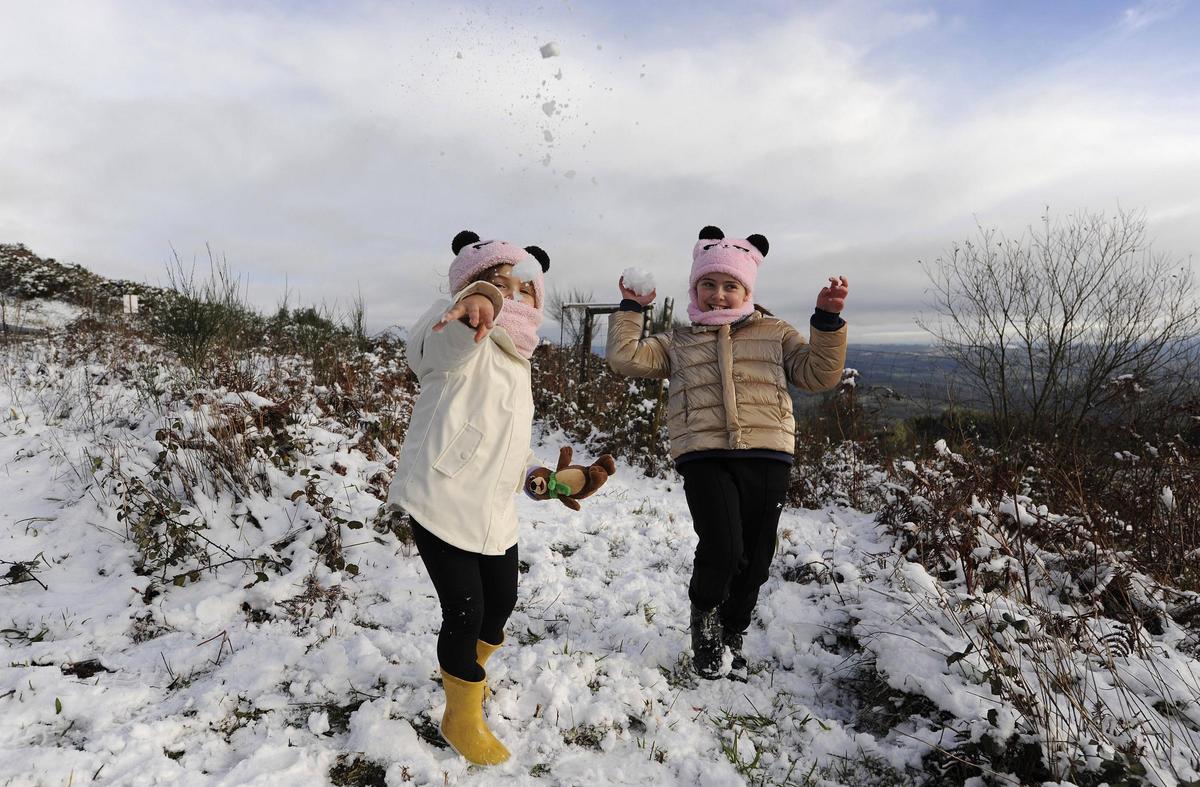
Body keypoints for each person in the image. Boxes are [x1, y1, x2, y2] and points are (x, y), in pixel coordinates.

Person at [606, 225, 849, 681]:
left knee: (755, 559)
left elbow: (819, 374)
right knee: (723, 547)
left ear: (747, 290)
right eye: (708, 284)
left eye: (729, 285)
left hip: (768, 453)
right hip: (704, 454)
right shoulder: (678, 341)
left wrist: (827, 321)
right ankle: (705, 622)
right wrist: (633, 308)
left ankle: (733, 630)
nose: (718, 295)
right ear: (694, 288)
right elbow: (625, 359)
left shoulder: (775, 332)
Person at [386, 230, 553, 765]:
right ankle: (460, 717)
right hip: (439, 494)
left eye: (522, 288)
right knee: (466, 611)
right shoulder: (452, 325)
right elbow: (434, 350)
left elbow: (507, 438)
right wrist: (475, 304)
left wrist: (536, 475)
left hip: (492, 508)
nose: (510, 295)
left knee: (500, 604)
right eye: (497, 283)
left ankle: (469, 678)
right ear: (468, 284)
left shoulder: (520, 358)